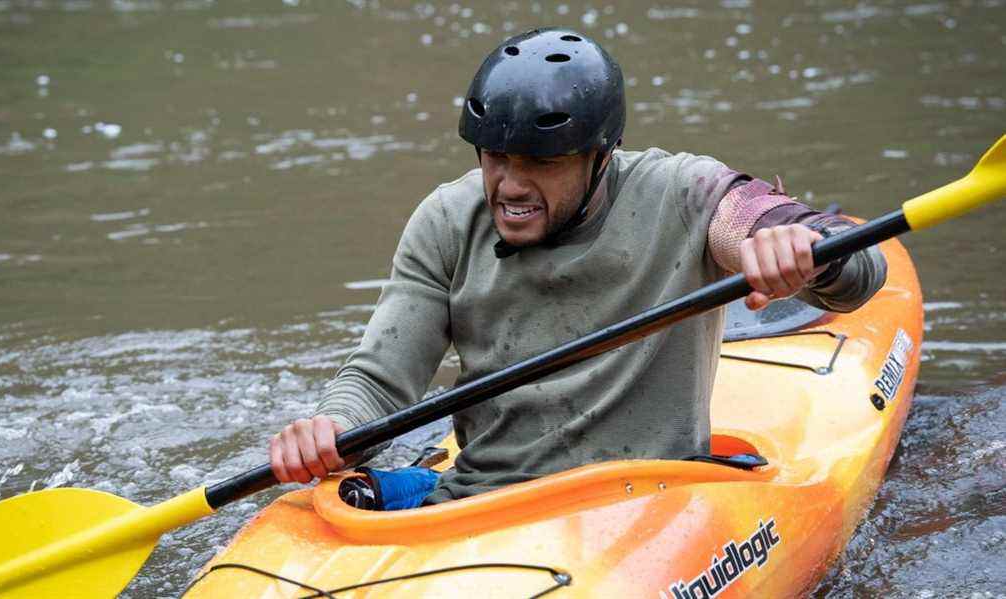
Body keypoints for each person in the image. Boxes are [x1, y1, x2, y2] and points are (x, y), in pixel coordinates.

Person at [268, 28, 887, 508]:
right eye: (495, 156)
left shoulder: (682, 192)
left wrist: (796, 249)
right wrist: (331, 428)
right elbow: (379, 384)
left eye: (541, 161)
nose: (510, 184)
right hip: (483, 502)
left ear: (601, 155)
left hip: (651, 500)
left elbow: (845, 263)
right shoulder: (446, 221)